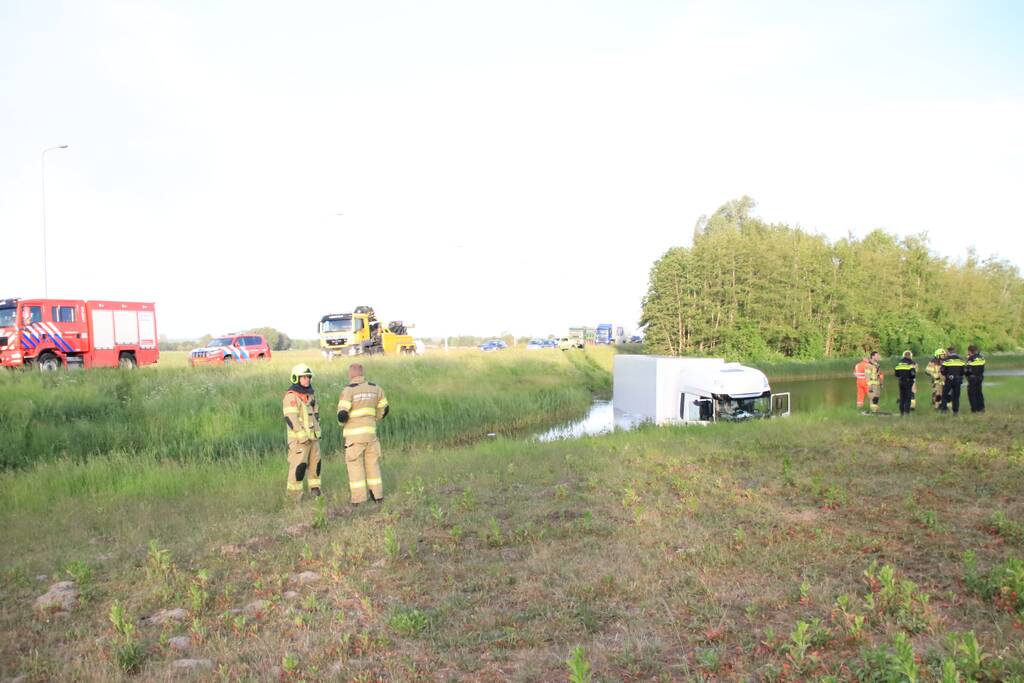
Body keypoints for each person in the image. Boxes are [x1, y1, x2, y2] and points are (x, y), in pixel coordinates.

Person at [337, 363, 389, 505]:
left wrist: (343, 424)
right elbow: (385, 408)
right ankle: (377, 496)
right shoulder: (375, 388)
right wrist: (375, 418)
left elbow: (342, 414)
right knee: (373, 465)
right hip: (371, 436)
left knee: (355, 467)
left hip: (354, 438)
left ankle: (359, 500)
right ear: (362, 373)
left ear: (351, 374)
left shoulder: (348, 390)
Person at [283, 363, 322, 499]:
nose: (307, 380)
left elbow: (316, 414)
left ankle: (315, 492)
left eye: (308, 377)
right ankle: (293, 499)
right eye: (303, 377)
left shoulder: (311, 395)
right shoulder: (291, 396)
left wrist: (317, 431)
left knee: (315, 466)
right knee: (298, 469)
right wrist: (301, 436)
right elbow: (291, 418)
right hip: (300, 441)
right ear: (296, 378)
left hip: (313, 439)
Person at [940, 346, 966, 414]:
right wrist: (960, 375)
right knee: (956, 396)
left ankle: (944, 410)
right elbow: (964, 370)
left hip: (949, 379)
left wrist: (946, 374)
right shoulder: (961, 359)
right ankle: (955, 412)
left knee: (944, 395)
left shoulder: (946, 360)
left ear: (949, 352)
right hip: (958, 379)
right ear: (955, 351)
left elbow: (942, 370)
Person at [893, 351, 917, 416]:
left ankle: (901, 412)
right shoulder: (911, 363)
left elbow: (896, 374)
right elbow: (913, 374)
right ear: (909, 356)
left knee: (902, 397)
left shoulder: (899, 363)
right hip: (908, 382)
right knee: (908, 397)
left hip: (901, 381)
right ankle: (907, 412)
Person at [965, 344, 986, 413]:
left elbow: (968, 370)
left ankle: (974, 409)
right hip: (980, 377)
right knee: (979, 393)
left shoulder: (970, 359)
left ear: (970, 351)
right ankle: (981, 408)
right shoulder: (981, 357)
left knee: (972, 394)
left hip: (972, 378)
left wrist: (966, 374)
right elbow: (983, 367)